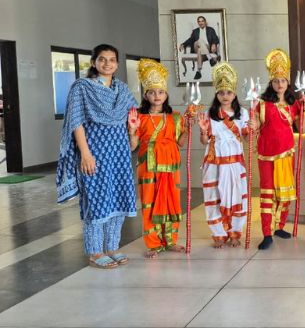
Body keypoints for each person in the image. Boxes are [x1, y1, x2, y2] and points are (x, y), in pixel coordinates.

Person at [56, 44, 138, 269]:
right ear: (94, 62)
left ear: (117, 64)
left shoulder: (122, 89)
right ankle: (95, 252)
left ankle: (112, 247)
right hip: (95, 152)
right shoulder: (82, 87)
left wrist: (133, 133)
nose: (107, 63)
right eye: (102, 59)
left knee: (119, 197)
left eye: (112, 60)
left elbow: (132, 116)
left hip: (119, 153)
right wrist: (85, 154)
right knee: (96, 198)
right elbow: (76, 122)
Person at [129, 59, 190, 258]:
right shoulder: (138, 117)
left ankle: (170, 240)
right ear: (146, 94)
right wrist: (132, 130)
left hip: (170, 165)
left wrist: (189, 127)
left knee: (171, 201)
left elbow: (181, 143)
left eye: (161, 92)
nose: (157, 96)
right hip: (148, 164)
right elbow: (133, 146)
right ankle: (153, 244)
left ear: (166, 94)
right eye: (152, 92)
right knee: (149, 202)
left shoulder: (176, 117)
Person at [254, 49, 305, 249]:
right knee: (268, 194)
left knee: (284, 194)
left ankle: (279, 226)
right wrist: (251, 125)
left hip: (286, 154)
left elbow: (302, 129)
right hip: (267, 155)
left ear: (288, 82)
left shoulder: (294, 104)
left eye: (283, 80)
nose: (280, 84)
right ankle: (267, 233)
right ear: (271, 82)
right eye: (276, 81)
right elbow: (255, 126)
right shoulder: (262, 104)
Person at [199, 62, 255, 248]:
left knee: (238, 197)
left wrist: (253, 128)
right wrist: (203, 132)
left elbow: (247, 139)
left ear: (235, 94)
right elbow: (204, 141)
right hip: (214, 164)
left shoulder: (243, 113)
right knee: (214, 197)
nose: (225, 96)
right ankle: (218, 234)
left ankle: (235, 233)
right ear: (216, 94)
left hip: (235, 164)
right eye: (221, 92)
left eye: (229, 92)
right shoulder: (209, 114)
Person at [179, 15, 221, 79]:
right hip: (196, 45)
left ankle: (198, 71)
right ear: (198, 23)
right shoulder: (195, 31)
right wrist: (183, 44)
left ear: (205, 22)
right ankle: (210, 58)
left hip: (207, 48)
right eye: (199, 21)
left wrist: (214, 44)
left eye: (202, 21)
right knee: (200, 41)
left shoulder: (211, 30)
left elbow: (216, 38)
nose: (201, 23)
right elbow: (190, 40)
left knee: (199, 50)